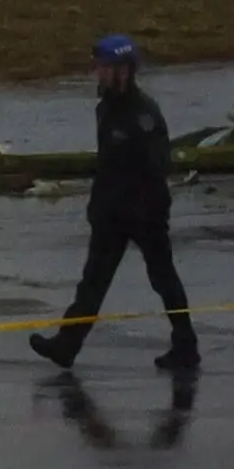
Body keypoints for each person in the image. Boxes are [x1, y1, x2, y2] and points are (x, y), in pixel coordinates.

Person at [34, 36, 200, 371]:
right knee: (93, 281)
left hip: (144, 213)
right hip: (111, 214)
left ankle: (186, 345)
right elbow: (108, 165)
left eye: (105, 68)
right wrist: (100, 205)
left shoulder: (143, 114)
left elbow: (157, 166)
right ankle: (67, 345)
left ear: (124, 71)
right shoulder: (107, 107)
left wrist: (142, 207)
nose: (99, 74)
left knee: (163, 278)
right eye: (99, 67)